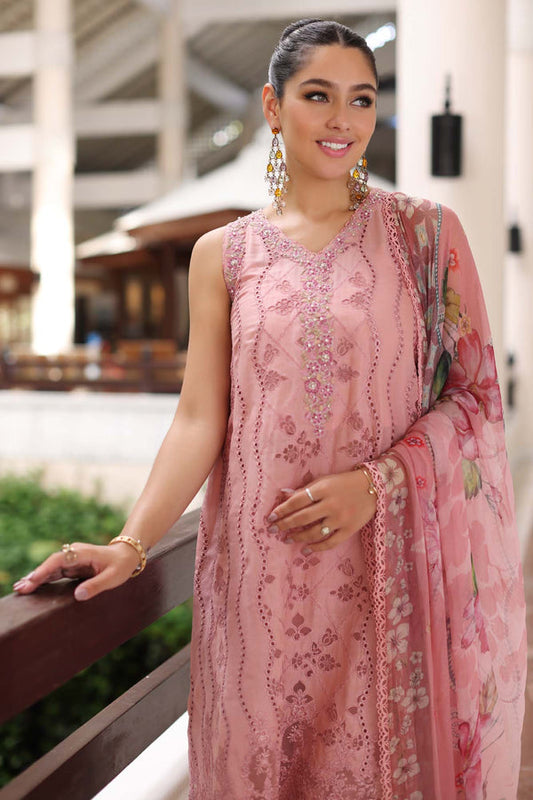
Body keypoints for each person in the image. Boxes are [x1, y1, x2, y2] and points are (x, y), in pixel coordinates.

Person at [13, 19, 526, 800]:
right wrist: (130, 543)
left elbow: (474, 397)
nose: (342, 119)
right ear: (272, 106)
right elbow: (199, 417)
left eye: (361, 99)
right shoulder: (223, 253)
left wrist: (378, 484)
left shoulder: (423, 235)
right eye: (317, 95)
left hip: (381, 563)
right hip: (258, 569)